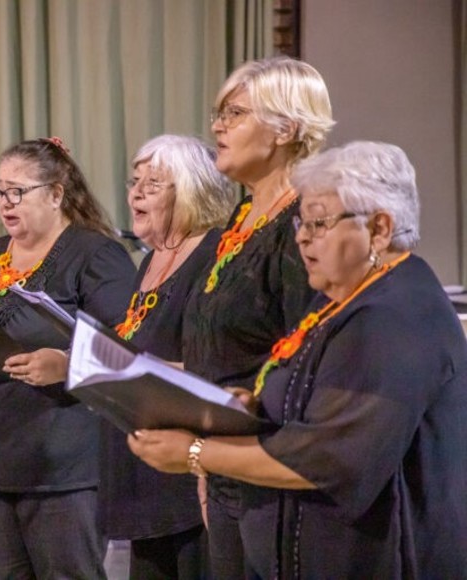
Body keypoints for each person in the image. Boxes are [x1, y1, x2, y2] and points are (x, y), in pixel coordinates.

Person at [129, 141, 467, 578]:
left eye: (320, 223)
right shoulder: (342, 299)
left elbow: (331, 457)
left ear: (380, 229)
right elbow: (311, 398)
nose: (303, 236)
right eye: (302, 222)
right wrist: (252, 402)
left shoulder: (395, 315)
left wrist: (196, 453)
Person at [0, 137, 136, 579]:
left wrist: (64, 361)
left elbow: (127, 349)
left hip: (64, 467)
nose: (5, 202)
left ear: (56, 194)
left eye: (17, 191)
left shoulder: (95, 254)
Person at [180, 56, 334, 578]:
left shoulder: (302, 227)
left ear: (285, 129)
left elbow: (306, 360)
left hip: (272, 475)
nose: (218, 127)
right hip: (225, 468)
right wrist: (205, 460)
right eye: (218, 115)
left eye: (235, 114)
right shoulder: (240, 220)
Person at [102, 135, 235, 579]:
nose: (136, 193)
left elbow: (212, 364)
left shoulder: (214, 253)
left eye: (153, 184)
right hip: (147, 468)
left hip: (191, 468)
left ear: (191, 190)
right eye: (134, 181)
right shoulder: (151, 259)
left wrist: (130, 370)